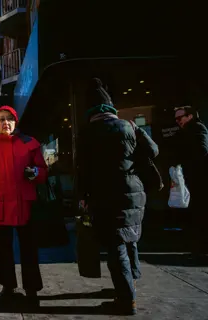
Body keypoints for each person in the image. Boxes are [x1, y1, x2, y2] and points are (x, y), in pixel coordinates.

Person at [77, 78, 159, 315]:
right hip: (134, 194)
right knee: (130, 239)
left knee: (116, 247)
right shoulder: (128, 126)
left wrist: (82, 196)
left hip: (106, 197)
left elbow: (83, 169)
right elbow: (153, 151)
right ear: (110, 106)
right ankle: (130, 285)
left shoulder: (88, 132)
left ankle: (126, 300)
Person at [0, 106, 47, 305]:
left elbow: (43, 170)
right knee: (4, 249)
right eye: (1, 119)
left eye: (9, 119)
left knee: (28, 248)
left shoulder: (30, 143)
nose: (5, 123)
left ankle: (32, 290)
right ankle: (8, 287)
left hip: (24, 204)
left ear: (15, 121)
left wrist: (35, 173)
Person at [172, 106, 208, 256]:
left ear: (190, 116)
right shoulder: (186, 131)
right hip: (195, 178)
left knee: (201, 212)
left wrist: (183, 158)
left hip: (201, 178)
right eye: (176, 119)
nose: (177, 121)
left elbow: (202, 150)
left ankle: (201, 247)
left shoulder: (198, 128)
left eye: (180, 117)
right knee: (198, 212)